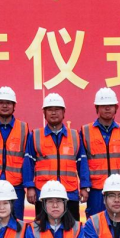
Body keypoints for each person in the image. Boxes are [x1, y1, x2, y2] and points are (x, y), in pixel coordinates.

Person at [26, 93, 90, 221]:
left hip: (70, 194)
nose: (53, 113)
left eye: (57, 109)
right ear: (44, 113)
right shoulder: (35, 135)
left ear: (64, 112)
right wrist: (30, 187)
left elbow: (82, 163)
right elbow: (28, 163)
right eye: (50, 109)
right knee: (43, 228)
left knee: (72, 228)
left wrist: (84, 186)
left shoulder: (75, 136)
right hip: (44, 194)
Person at [0, 86, 33, 221]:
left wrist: (27, 184)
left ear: (14, 106)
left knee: (17, 222)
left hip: (16, 185)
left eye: (8, 103)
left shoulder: (23, 128)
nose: (4, 106)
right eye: (1, 102)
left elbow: (27, 159)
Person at [81, 87, 120, 217]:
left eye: (111, 105)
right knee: (95, 222)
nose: (107, 108)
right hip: (96, 190)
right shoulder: (85, 131)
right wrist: (85, 186)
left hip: (119, 188)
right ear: (97, 108)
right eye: (103, 105)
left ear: (116, 108)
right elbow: (83, 163)